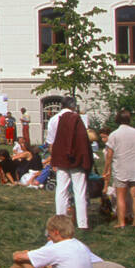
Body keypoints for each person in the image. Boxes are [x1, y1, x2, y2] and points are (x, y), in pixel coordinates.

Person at [45, 96, 91, 228]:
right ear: (73, 106)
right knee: (79, 190)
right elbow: (83, 140)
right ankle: (82, 223)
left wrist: (53, 160)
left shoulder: (54, 119)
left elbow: (51, 143)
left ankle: (60, 221)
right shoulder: (77, 119)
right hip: (76, 159)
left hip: (60, 158)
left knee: (61, 189)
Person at [103, 109, 135, 228]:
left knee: (121, 197)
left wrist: (106, 169)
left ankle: (121, 222)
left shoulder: (114, 135)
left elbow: (109, 154)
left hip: (121, 168)